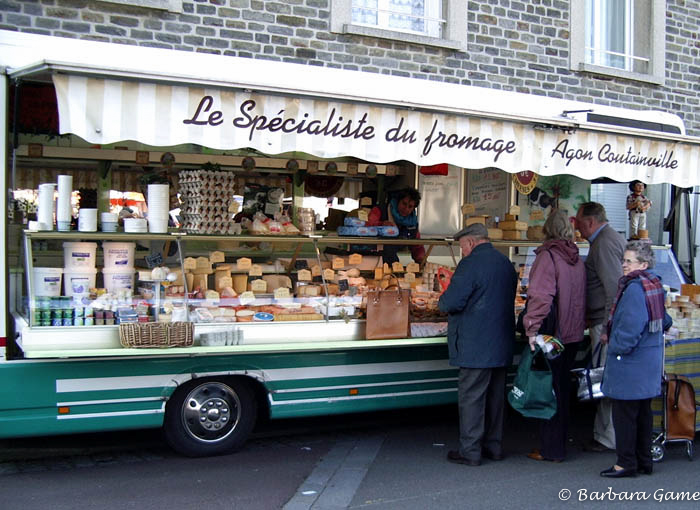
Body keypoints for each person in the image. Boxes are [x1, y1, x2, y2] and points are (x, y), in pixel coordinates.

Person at [438, 223, 518, 466]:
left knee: (472, 397)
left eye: (462, 247)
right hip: (502, 340)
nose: (462, 251)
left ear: (471, 243)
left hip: (476, 343)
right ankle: (493, 447)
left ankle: (470, 451)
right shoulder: (505, 263)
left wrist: (442, 300)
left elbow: (451, 302)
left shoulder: (470, 264)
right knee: (495, 397)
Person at [600, 241, 671, 478]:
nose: (624, 265)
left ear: (643, 263)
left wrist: (615, 347)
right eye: (624, 260)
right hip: (648, 362)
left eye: (629, 261)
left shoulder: (634, 289)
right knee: (642, 414)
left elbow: (630, 328)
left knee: (625, 416)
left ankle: (625, 463)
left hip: (631, 363)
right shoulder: (654, 285)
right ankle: (644, 461)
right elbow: (666, 320)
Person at [522, 209, 586, 463]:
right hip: (573, 333)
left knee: (548, 391)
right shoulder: (577, 258)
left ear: (547, 230)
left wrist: (532, 328)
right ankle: (558, 444)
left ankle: (551, 449)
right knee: (561, 389)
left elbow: (540, 297)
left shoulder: (548, 257)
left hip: (552, 335)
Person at [575, 202, 626, 452]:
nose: (577, 226)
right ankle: (603, 434)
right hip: (600, 322)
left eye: (579, 221)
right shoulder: (607, 239)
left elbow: (614, 289)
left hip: (603, 324)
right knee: (603, 378)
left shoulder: (604, 243)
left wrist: (607, 326)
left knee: (603, 379)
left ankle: (608, 438)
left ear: (591, 222)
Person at [368, 187, 425, 264]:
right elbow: (367, 226)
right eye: (404, 204)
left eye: (410, 206)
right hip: (371, 259)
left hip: (392, 261)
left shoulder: (412, 223)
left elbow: (417, 246)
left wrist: (422, 261)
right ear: (398, 201)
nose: (406, 209)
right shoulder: (379, 211)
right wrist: (381, 225)